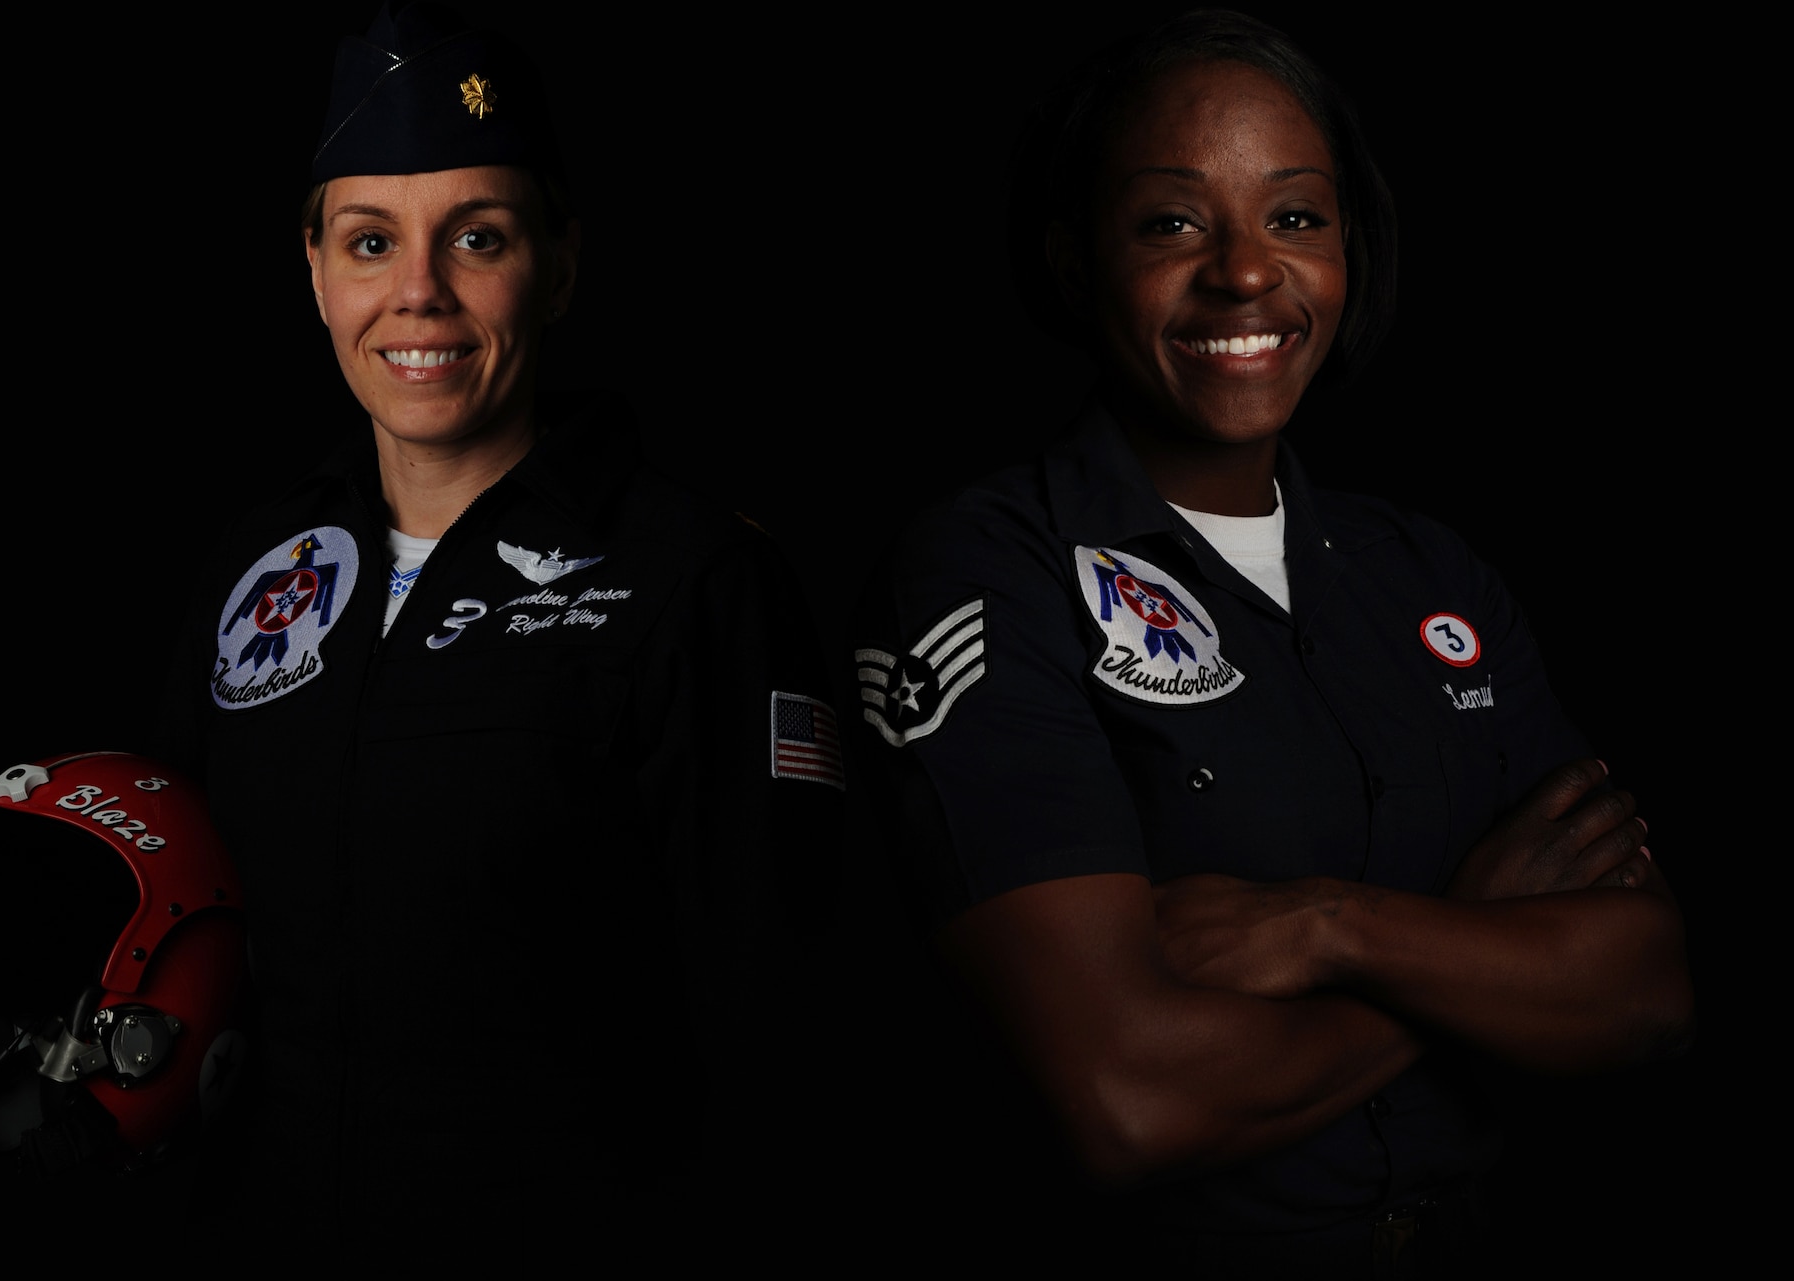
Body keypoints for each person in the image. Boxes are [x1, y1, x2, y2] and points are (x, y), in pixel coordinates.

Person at [850, 10, 1690, 1273]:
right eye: (1171, 222)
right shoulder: (985, 573)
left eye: (1294, 216)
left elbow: (1641, 992)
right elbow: (1130, 1100)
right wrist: (1469, 947)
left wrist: (1328, 927)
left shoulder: (1429, 575)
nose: (1245, 273)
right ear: (1076, 263)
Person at [154, 1, 842, 1235]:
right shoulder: (257, 567)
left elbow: (782, 1034)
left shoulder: (692, 577)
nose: (417, 295)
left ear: (560, 263)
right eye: (370, 244)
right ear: (312, 272)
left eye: (476, 237)